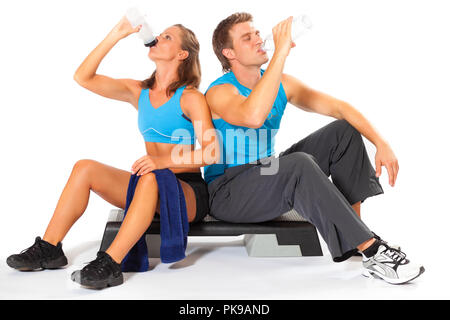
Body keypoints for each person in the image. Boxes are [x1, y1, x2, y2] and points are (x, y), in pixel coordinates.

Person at [204, 12, 424, 284]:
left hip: (266, 172)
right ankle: (375, 251)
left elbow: (339, 108)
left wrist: (381, 143)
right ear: (229, 54)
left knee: (343, 131)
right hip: (229, 191)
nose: (259, 39)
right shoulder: (220, 91)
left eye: (257, 33)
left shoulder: (282, 82)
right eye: (247, 38)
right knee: (298, 163)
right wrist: (280, 54)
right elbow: (253, 116)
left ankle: (357, 239)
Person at [6, 16, 219, 289]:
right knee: (85, 168)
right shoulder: (138, 91)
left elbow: (212, 152)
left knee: (153, 177)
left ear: (182, 54)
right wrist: (114, 36)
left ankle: (110, 264)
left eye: (167, 37)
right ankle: (50, 248)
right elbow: (83, 77)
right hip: (148, 185)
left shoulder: (191, 97)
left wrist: (161, 161)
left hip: (186, 192)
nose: (157, 38)